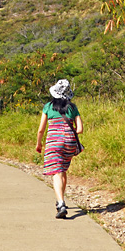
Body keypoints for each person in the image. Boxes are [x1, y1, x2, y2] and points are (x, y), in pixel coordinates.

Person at [35, 79, 83, 219]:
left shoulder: (48, 107)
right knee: (62, 170)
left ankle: (61, 203)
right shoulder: (72, 108)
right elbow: (79, 129)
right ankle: (60, 199)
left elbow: (41, 130)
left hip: (54, 142)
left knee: (56, 172)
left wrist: (39, 144)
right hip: (69, 143)